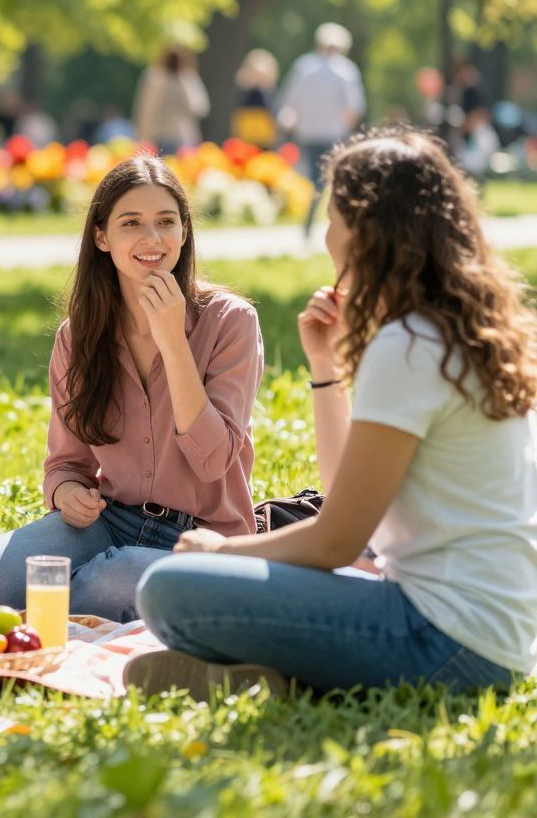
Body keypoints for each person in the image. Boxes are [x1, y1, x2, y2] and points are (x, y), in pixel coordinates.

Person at [132, 128, 537, 699]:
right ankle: (280, 679)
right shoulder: (455, 332)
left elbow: (337, 542)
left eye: (332, 218)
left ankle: (284, 677)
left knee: (168, 589)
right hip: (493, 640)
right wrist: (326, 367)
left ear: (367, 231)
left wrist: (226, 549)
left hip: (444, 643)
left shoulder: (409, 346)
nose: (327, 235)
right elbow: (344, 491)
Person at [0, 155, 263, 621]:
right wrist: (67, 491)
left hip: (202, 536)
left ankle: (61, 598)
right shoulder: (79, 336)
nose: (152, 239)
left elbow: (213, 461)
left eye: (165, 222)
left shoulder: (230, 321)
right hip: (109, 520)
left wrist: (173, 343)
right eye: (131, 223)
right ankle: (69, 598)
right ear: (102, 237)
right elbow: (66, 464)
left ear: (184, 231)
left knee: (112, 580)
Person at [275, 22, 365, 237]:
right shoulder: (345, 70)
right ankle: (336, 224)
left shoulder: (303, 67)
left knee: (315, 179)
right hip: (334, 134)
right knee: (333, 180)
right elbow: (354, 108)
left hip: (308, 133)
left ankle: (310, 222)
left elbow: (288, 104)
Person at [132, 46, 209, 155]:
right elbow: (146, 108)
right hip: (156, 137)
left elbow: (199, 108)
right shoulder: (155, 78)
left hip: (180, 138)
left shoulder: (188, 79)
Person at [231, 49, 279, 147]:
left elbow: (272, 110)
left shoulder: (267, 92)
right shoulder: (245, 89)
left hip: (264, 135)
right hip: (247, 133)